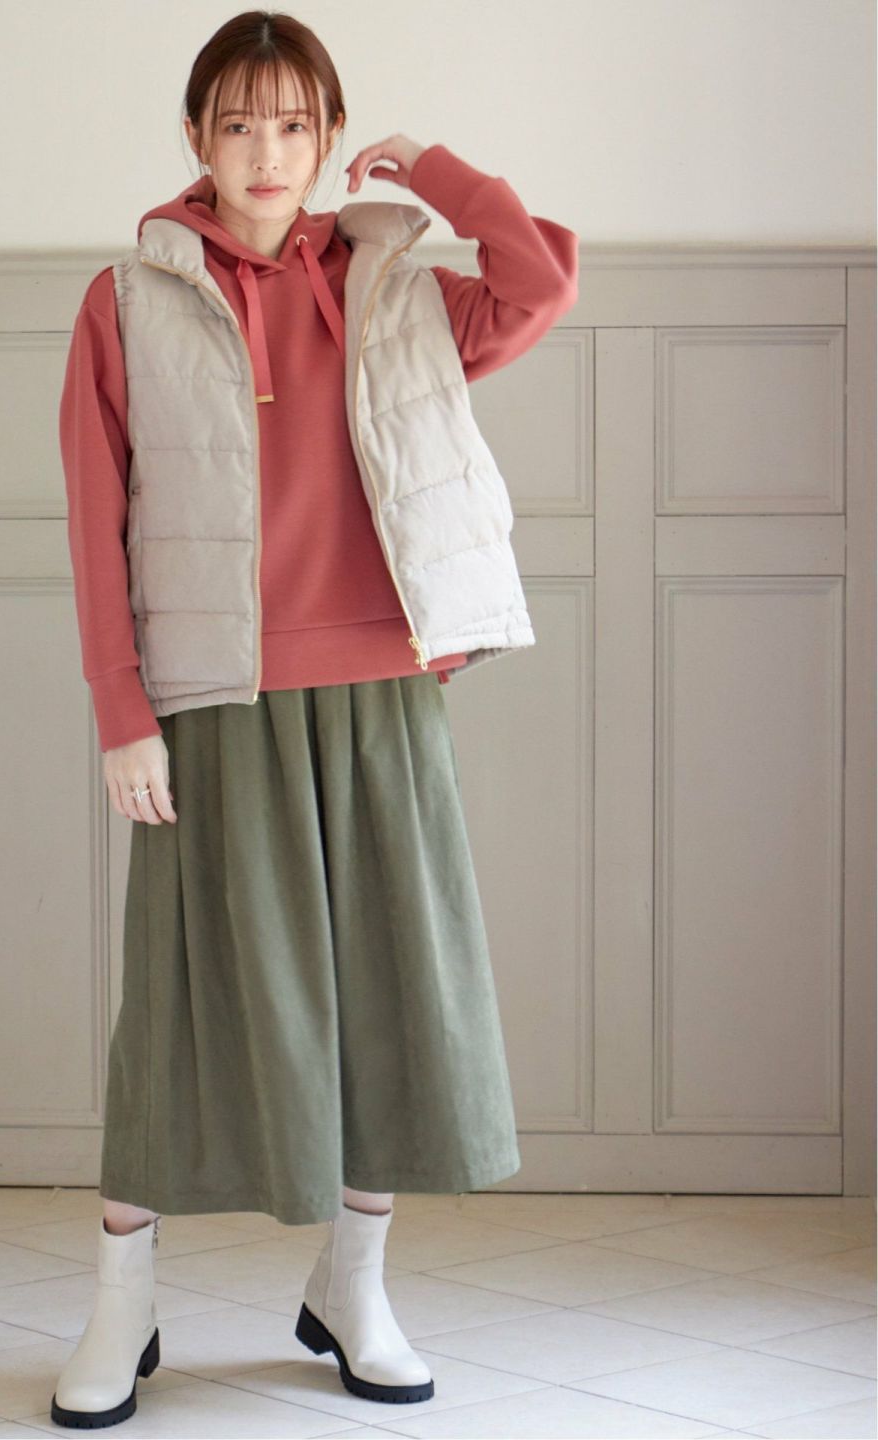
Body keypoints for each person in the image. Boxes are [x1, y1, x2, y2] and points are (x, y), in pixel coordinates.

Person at [51, 9, 578, 1428]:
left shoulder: (395, 281)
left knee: (388, 996)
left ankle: (355, 1288)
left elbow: (539, 282)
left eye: (295, 125)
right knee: (175, 1016)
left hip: (382, 687)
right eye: (238, 124)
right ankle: (122, 1306)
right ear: (196, 139)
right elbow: (95, 517)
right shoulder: (128, 297)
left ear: (330, 137)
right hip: (213, 700)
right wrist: (122, 711)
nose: (267, 152)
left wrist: (439, 175)